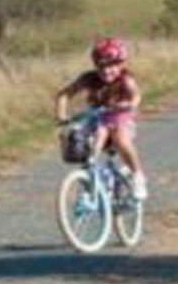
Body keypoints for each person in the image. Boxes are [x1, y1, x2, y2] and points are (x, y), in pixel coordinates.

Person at [55, 36, 147, 200]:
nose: (106, 71)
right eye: (101, 66)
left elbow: (136, 97)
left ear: (121, 64)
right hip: (98, 115)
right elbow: (64, 95)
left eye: (112, 66)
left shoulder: (125, 80)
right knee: (79, 137)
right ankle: (90, 172)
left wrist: (129, 105)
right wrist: (61, 116)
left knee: (120, 138)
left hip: (120, 115)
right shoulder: (89, 79)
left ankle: (138, 176)